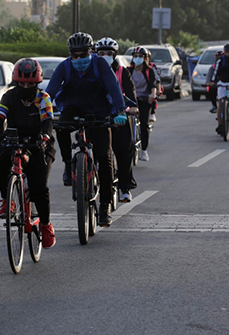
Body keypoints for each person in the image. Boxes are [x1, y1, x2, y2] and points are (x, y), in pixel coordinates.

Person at [46, 32, 127, 227]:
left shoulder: (100, 65)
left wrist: (120, 111)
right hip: (73, 108)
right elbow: (50, 91)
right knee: (61, 128)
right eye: (75, 55)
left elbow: (114, 88)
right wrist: (43, 111)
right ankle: (67, 164)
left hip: (99, 111)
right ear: (70, 54)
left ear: (91, 52)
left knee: (104, 157)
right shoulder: (64, 67)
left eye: (83, 55)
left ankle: (105, 206)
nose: (79, 59)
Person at [0, 58, 57, 248]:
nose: (25, 87)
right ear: (16, 82)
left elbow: (47, 119)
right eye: (22, 83)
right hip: (13, 140)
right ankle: (6, 199)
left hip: (38, 143)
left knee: (39, 188)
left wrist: (44, 135)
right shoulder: (9, 96)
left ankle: (45, 224)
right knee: (0, 159)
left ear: (37, 83)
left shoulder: (43, 98)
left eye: (30, 84)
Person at [95, 37, 138, 203]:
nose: (105, 55)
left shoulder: (122, 71)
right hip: (98, 114)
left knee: (124, 150)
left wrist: (132, 107)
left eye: (109, 53)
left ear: (114, 55)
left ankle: (124, 187)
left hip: (119, 115)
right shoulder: (93, 71)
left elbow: (130, 92)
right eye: (101, 53)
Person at [129, 46, 158, 162]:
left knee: (144, 125)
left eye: (140, 57)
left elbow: (153, 85)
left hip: (145, 99)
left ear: (145, 58)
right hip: (131, 100)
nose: (137, 59)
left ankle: (144, 150)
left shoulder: (149, 71)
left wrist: (152, 95)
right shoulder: (128, 70)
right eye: (135, 56)